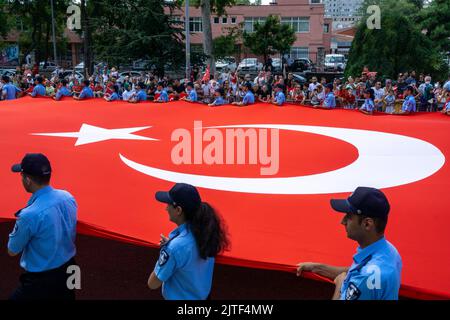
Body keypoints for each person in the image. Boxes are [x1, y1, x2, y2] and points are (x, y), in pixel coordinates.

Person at [297, 187, 402, 300]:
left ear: (367, 224)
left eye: (349, 216)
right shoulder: (389, 251)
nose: (342, 221)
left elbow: (360, 276)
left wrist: (340, 285)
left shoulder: (366, 278)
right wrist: (317, 268)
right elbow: (354, 271)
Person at [8, 153, 78, 300]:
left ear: (27, 180)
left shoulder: (28, 215)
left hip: (42, 280)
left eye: (21, 176)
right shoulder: (68, 197)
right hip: (72, 270)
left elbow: (12, 250)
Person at [147, 183, 230, 300]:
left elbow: (153, 283)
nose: (166, 208)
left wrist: (167, 251)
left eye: (169, 204)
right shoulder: (205, 231)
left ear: (178, 210)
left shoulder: (174, 248)